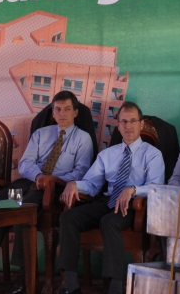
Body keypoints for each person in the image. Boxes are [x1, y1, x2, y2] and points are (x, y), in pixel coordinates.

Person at [0, 90, 94, 291]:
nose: (62, 114)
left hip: (57, 188)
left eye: (67, 109)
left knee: (24, 208)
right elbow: (25, 163)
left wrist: (51, 179)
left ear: (75, 112)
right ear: (53, 112)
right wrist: (39, 176)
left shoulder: (83, 138)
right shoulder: (41, 134)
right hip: (32, 181)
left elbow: (81, 172)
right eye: (58, 109)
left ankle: (24, 275)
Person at [57, 101, 165, 294]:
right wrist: (74, 184)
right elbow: (92, 184)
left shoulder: (153, 155)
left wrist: (133, 189)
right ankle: (70, 285)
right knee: (68, 217)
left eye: (133, 121)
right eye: (123, 122)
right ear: (118, 125)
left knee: (109, 221)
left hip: (132, 206)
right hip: (107, 201)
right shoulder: (108, 154)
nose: (128, 126)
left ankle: (115, 287)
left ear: (141, 124)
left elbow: (156, 187)